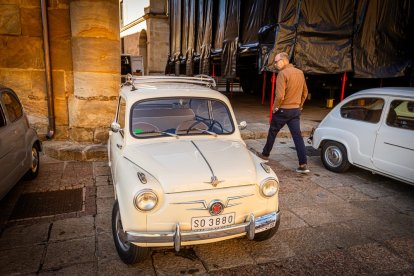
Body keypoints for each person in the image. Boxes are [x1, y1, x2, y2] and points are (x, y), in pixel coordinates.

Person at [258, 52, 310, 173]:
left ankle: (265, 155)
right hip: (295, 110)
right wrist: (300, 105)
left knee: (272, 131)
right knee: (298, 137)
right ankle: (303, 164)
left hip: (283, 110)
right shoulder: (300, 73)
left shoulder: (282, 74)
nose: (275, 64)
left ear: (284, 60)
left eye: (276, 62)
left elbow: (280, 96)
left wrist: (274, 108)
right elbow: (305, 92)